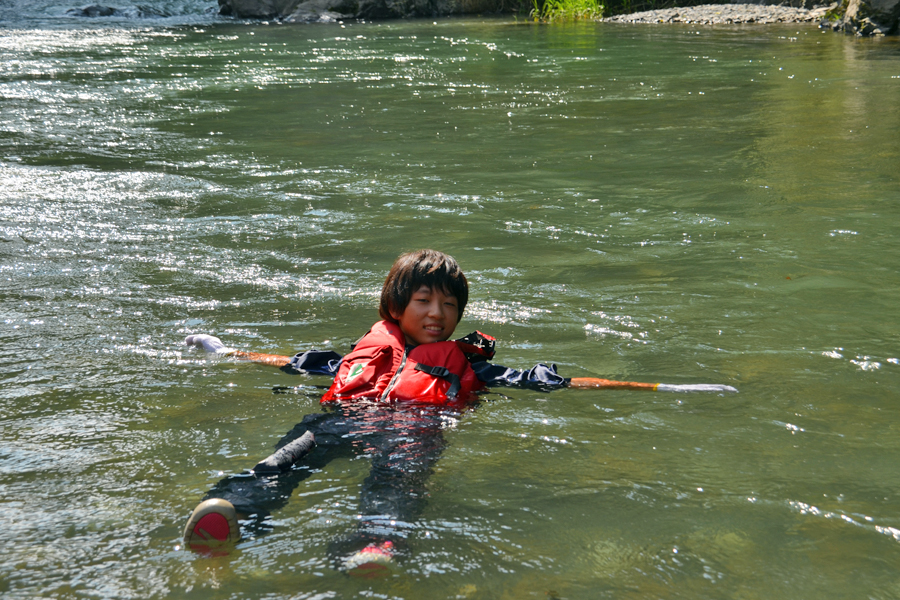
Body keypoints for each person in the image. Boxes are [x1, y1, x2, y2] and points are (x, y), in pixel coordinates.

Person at [182, 249, 735, 575]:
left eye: (448, 305)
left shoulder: (470, 367)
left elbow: (552, 382)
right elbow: (297, 363)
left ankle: (377, 540)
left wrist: (651, 387)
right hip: (348, 417)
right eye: (424, 301)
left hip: (415, 429)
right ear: (395, 308)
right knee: (283, 463)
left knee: (397, 480)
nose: (437, 313)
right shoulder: (364, 355)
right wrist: (228, 352)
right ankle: (234, 512)